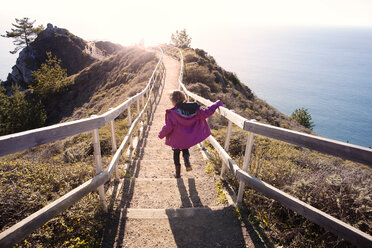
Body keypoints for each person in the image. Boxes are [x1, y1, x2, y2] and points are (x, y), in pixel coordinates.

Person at [158, 90, 223, 178]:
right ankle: (187, 162)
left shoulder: (172, 113)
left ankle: (177, 173)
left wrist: (161, 134)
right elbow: (207, 112)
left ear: (173, 101)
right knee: (185, 148)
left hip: (176, 138)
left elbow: (168, 127)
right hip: (187, 138)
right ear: (184, 99)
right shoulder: (193, 110)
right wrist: (216, 104)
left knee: (176, 153)